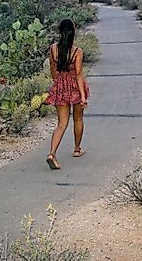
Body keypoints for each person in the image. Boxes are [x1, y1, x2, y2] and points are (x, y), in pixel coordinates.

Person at [45, 18, 88, 170]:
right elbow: (78, 74)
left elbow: (52, 70)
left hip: (60, 86)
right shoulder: (77, 51)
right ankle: (77, 149)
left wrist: (58, 84)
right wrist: (82, 96)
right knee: (78, 119)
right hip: (75, 87)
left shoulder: (53, 49)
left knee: (61, 124)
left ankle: (52, 153)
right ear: (73, 32)